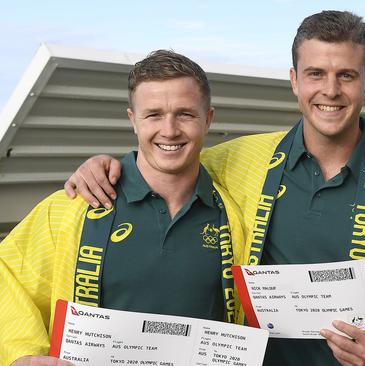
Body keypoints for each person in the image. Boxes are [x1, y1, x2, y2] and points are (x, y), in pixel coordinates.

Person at [63, 10, 365, 366]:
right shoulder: (240, 160)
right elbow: (168, 157)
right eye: (315, 74)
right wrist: (106, 167)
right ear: (295, 80)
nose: (330, 90)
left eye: (346, 75)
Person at [0, 50, 244, 365]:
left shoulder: (237, 215)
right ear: (132, 120)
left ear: (208, 119)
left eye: (185, 114)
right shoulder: (73, 207)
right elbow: (6, 276)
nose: (169, 130)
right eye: (154, 114)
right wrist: (21, 354)